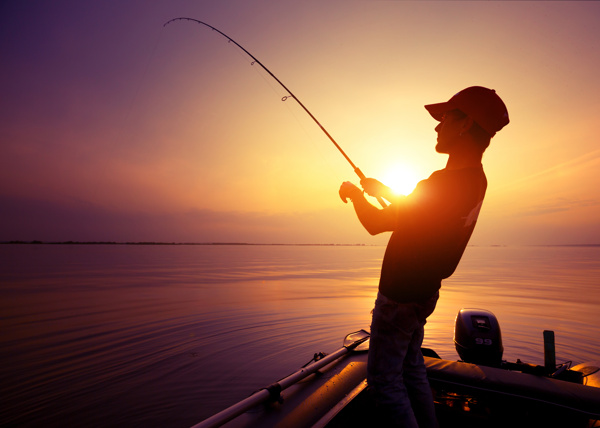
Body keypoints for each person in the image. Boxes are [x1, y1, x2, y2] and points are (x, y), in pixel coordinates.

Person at [339, 86, 509, 427]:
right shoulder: (475, 180)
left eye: (445, 117)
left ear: (465, 125)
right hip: (424, 294)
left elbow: (376, 224)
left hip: (399, 297)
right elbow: (419, 214)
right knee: (411, 367)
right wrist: (383, 190)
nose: (436, 126)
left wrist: (355, 195)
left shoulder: (441, 184)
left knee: (384, 382)